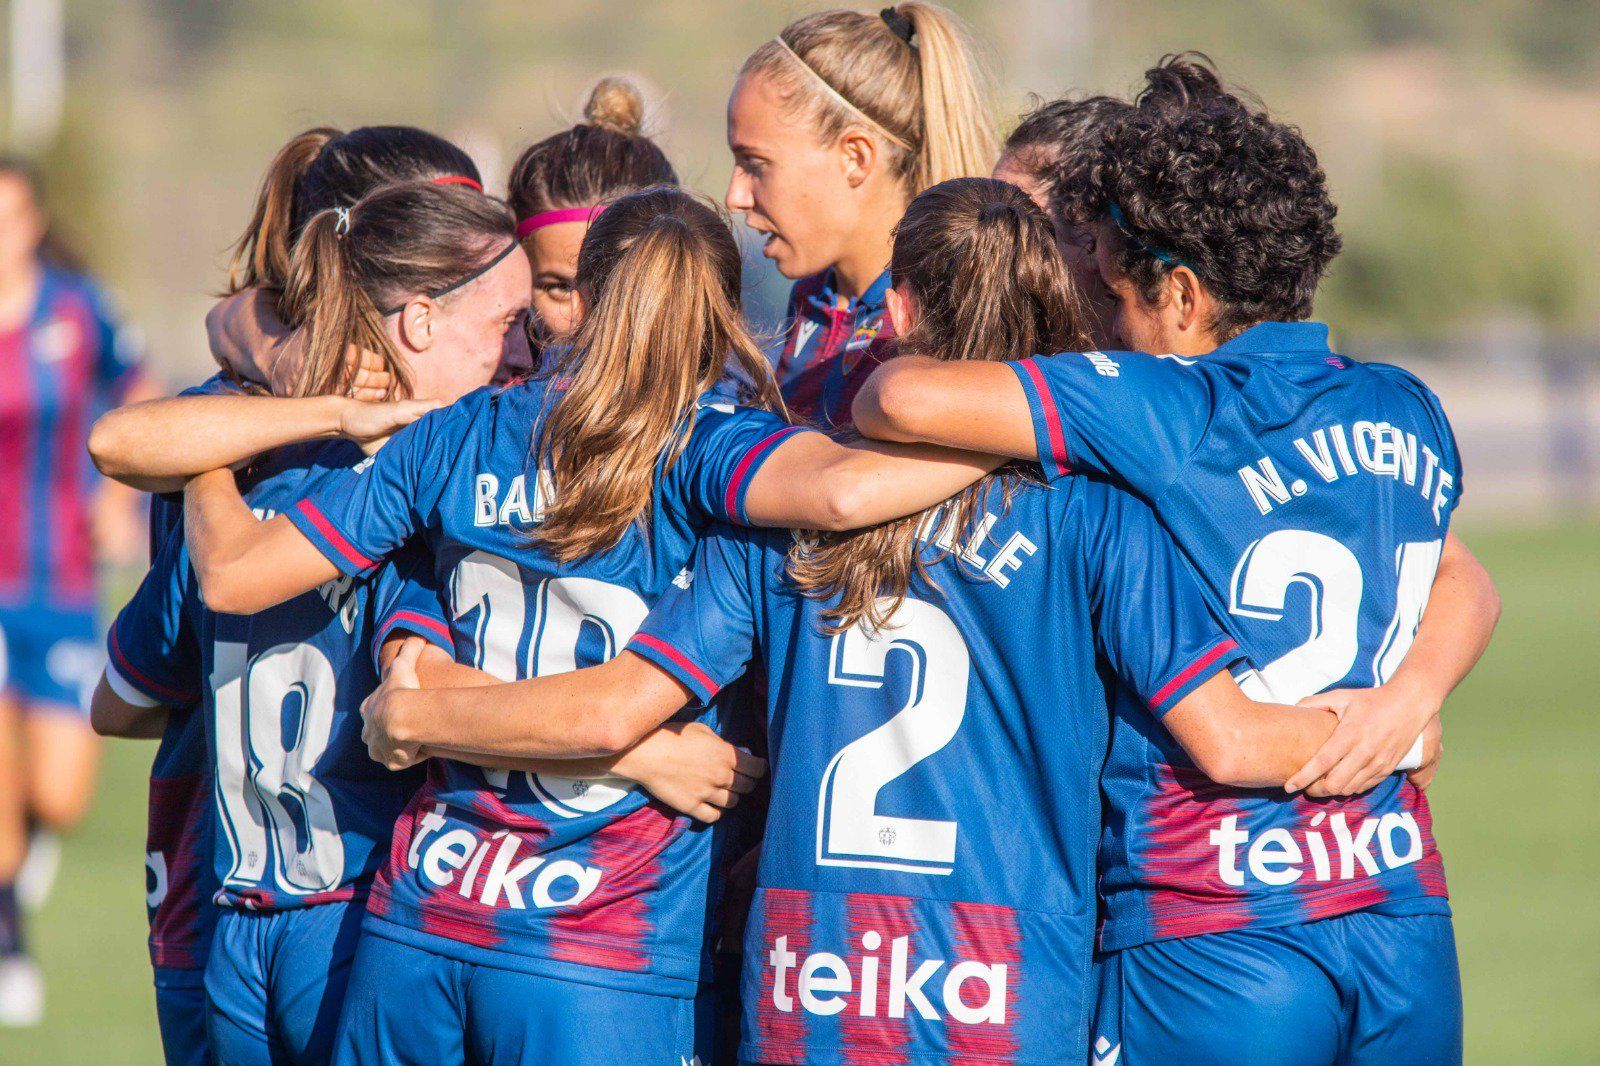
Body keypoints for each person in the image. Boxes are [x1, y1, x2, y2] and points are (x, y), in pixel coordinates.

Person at [356, 178, 1366, 1063]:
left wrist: (419, 713)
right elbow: (1221, 734)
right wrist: (1388, 720)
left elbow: (621, 700)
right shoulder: (1097, 515)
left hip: (809, 981)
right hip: (1004, 984)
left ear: (901, 303)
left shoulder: (774, 526)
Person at [174, 186, 995, 1063]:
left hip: (421, 921)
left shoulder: (459, 431)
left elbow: (231, 575)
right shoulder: (710, 449)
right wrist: (1018, 432)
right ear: (724, 314)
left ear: (586, 300)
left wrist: (204, 460)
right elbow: (841, 491)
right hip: (601, 947)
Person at [851, 62, 1499, 1064]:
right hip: (1399, 914)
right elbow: (1467, 580)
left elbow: (898, 403)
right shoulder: (1399, 404)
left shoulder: (1163, 405)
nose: (1106, 322)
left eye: (1114, 292)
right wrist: (1403, 708)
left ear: (1185, 296)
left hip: (1213, 931)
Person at [91, 180, 746, 1065]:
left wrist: (216, 458)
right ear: (422, 320)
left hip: (254, 914)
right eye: (509, 318)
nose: (529, 345)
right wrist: (640, 750)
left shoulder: (276, 466)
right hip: (386, 911)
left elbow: (138, 673)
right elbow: (415, 693)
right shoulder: (446, 466)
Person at [85, 125, 499, 1065]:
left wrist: (257, 389)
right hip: (357, 894)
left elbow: (127, 694)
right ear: (418, 297)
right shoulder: (434, 456)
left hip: (228, 885)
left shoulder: (219, 442)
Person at [0, 155, 159, 1027]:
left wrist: (118, 492)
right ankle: (10, 927)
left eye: (10, 217)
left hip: (60, 578)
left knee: (59, 789)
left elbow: (136, 389)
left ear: (34, 222)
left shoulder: (76, 309)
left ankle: (20, 860)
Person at [726, 2, 996, 427]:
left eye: (756, 164)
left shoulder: (948, 317)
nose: (735, 196)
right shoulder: (813, 296)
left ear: (855, 157)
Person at [507, 76, 677, 350]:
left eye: (613, 286)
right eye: (561, 289)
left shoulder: (724, 392)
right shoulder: (481, 389)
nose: (586, 322)